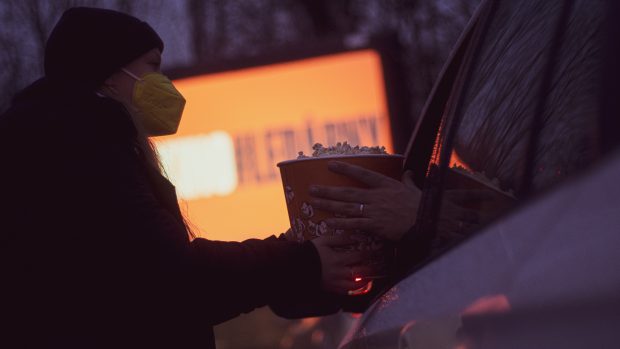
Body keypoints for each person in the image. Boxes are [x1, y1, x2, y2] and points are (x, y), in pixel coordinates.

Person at [0, 8, 375, 348]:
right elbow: (171, 279)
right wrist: (298, 262)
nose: (166, 86)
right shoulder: (77, 148)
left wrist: (289, 257)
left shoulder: (57, 140)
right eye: (153, 67)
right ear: (110, 74)